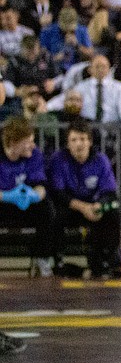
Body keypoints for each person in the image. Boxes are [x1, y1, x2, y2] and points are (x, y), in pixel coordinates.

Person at [47, 120, 121, 278]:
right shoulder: (58, 159)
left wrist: (99, 206)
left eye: (82, 139)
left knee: (114, 212)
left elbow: (109, 191)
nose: (79, 144)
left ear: (89, 141)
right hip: (70, 206)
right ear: (68, 144)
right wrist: (83, 207)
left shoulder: (101, 160)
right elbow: (58, 193)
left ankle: (106, 259)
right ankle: (58, 260)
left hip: (95, 206)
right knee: (55, 215)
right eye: (74, 140)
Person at [0, 117, 59, 276]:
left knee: (47, 209)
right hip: (3, 202)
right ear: (13, 142)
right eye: (28, 141)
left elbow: (41, 184)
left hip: (24, 203)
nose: (33, 145)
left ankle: (42, 259)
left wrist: (35, 195)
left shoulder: (34, 154)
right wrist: (6, 196)